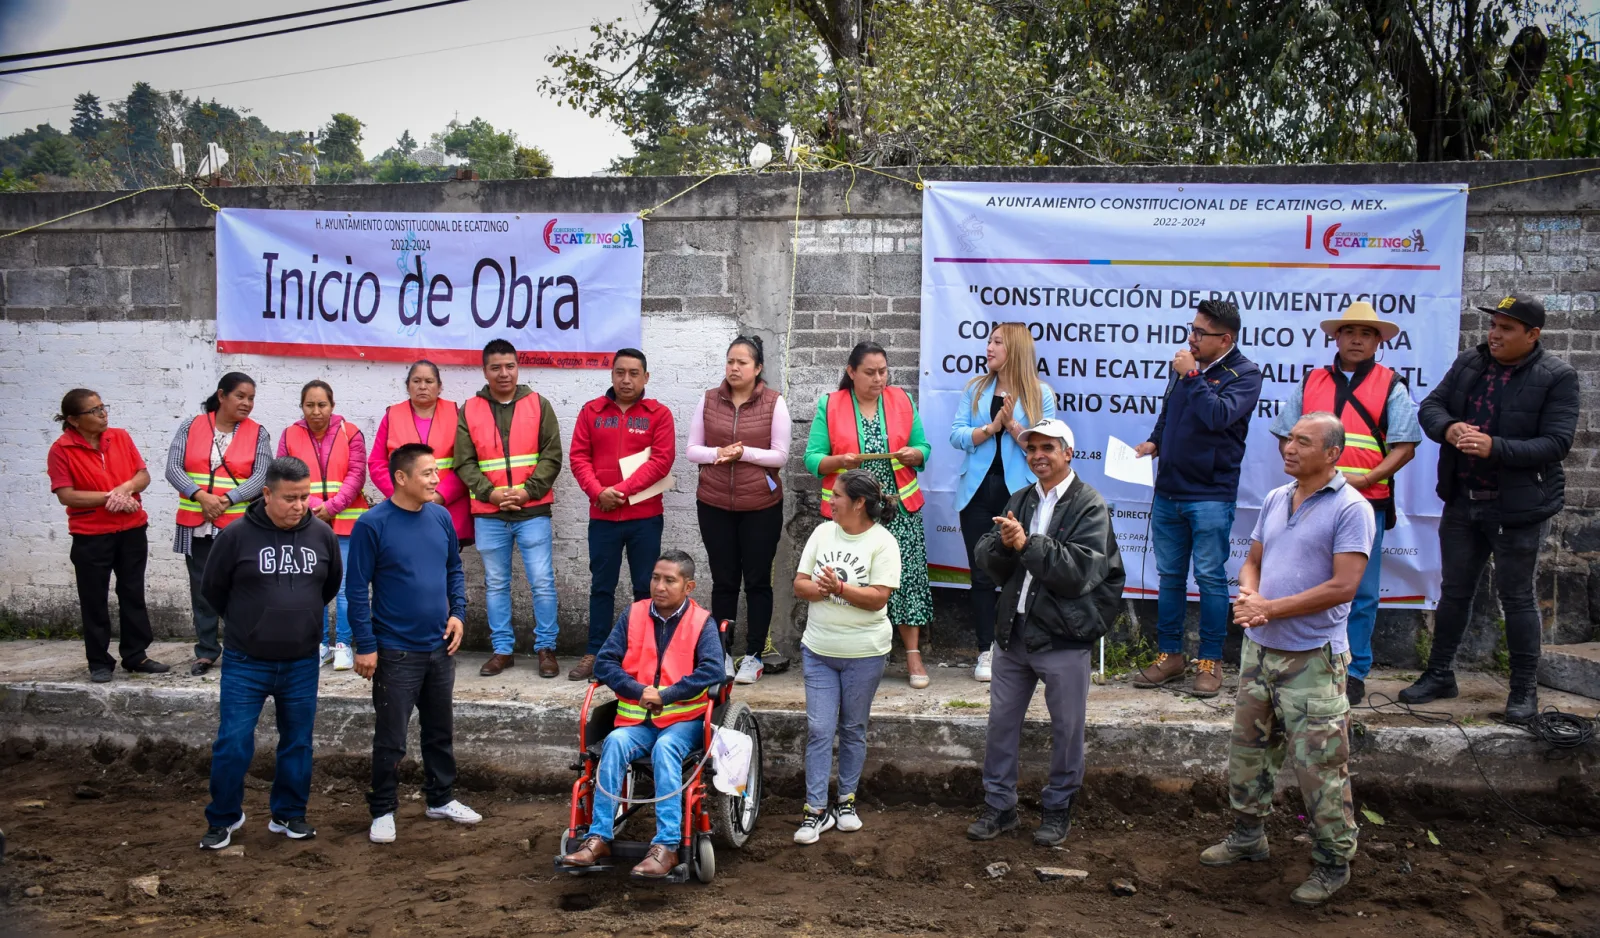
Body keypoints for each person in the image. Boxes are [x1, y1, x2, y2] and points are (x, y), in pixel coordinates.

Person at [1199, 412, 1373, 907]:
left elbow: (1344, 586)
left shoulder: (1351, 508)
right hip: (1261, 652)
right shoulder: (1277, 498)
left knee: (1320, 768)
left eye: (1302, 441)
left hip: (1313, 658)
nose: (1288, 448)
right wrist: (1251, 598)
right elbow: (1253, 558)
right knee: (1249, 754)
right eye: (1288, 439)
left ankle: (1332, 862)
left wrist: (1269, 608)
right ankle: (1248, 837)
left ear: (1332, 454)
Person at [1400, 295, 1580, 723]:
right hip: (1464, 499)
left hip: (1518, 507)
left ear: (1532, 335)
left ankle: (1523, 691)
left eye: (1506, 328)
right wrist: (1450, 427)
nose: (1494, 334)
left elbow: (1558, 443)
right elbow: (1430, 407)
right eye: (1493, 325)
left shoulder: (1557, 376)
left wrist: (1494, 447)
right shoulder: (1471, 363)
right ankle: (1440, 673)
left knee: (1517, 598)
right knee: (1455, 591)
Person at [967, 419, 1124, 847]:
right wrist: (1002, 543)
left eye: (1048, 447)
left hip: (1063, 637)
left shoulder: (1089, 504)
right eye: (1031, 448)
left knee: (1067, 728)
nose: (1038, 455)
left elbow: (1077, 572)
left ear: (1068, 453)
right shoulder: (1021, 497)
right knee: (1000, 724)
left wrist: (1025, 544)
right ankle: (999, 807)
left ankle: (1058, 809)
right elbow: (994, 563)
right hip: (1014, 634)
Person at [1271, 302, 1419, 705]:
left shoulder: (1391, 384)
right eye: (1349, 331)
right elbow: (1286, 435)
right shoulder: (1312, 381)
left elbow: (1405, 446)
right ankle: (1304, 661)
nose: (1357, 339)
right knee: (1306, 583)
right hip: (1310, 499)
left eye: (1367, 333)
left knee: (1360, 592)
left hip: (1367, 502)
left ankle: (1351, 671)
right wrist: (1310, 472)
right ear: (1335, 337)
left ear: (1378, 341)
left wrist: (1367, 478)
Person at [197, 456, 342, 850]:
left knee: (297, 742)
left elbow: (328, 587)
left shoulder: (323, 536)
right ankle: (225, 817)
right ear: (266, 494)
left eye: (305, 497)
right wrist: (250, 624)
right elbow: (213, 590)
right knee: (233, 741)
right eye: (290, 498)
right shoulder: (236, 536)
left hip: (300, 663)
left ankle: (289, 814)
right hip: (247, 662)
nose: (299, 506)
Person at [557, 551, 724, 878]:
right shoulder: (632, 615)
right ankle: (598, 837)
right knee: (615, 743)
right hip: (635, 721)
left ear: (688, 586)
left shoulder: (701, 622)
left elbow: (712, 671)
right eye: (655, 578)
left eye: (669, 580)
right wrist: (639, 691)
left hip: (682, 721)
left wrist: (666, 695)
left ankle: (667, 846)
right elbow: (605, 662)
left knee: (665, 750)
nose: (659, 586)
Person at [346, 442, 480, 844]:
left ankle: (440, 798)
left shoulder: (440, 517)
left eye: (437, 471)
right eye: (427, 473)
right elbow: (356, 590)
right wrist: (365, 645)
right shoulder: (373, 524)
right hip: (395, 651)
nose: (436, 480)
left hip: (440, 648)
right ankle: (383, 809)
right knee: (391, 737)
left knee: (440, 730)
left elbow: (454, 569)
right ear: (401, 478)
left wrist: (458, 613)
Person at [1132, 300, 1262, 698]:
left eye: (1200, 332)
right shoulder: (1185, 369)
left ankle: (1210, 659)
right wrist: (1155, 441)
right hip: (1169, 491)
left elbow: (1218, 417)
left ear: (1225, 338)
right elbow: (1169, 413)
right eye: (1191, 329)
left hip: (1209, 494)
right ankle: (1170, 655)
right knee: (1170, 577)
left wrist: (1191, 375)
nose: (1191, 337)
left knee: (1209, 578)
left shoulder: (1245, 374)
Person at [805, 341, 934, 687]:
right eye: (870, 372)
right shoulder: (830, 405)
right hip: (853, 513)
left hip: (899, 508)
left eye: (883, 371)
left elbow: (925, 449)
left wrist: (914, 455)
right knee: (855, 576)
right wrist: (839, 462)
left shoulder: (902, 401)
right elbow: (812, 459)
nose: (879, 379)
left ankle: (912, 654)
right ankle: (853, 652)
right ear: (851, 372)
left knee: (906, 580)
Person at [791, 469, 901, 844]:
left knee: (853, 728)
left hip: (865, 653)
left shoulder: (883, 542)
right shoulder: (822, 532)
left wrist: (838, 587)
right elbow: (799, 584)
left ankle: (847, 802)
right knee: (820, 729)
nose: (830, 501)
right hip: (819, 650)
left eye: (836, 495)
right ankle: (815, 811)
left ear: (857, 503)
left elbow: (878, 598)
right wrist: (824, 590)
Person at [949, 323, 1056, 682]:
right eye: (989, 341)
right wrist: (991, 428)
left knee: (1019, 571)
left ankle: (1018, 649)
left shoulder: (1041, 395)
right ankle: (985, 650)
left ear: (1014, 348)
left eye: (997, 342)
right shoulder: (977, 390)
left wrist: (1011, 426)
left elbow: (1046, 447)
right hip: (977, 491)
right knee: (981, 572)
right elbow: (956, 434)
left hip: (1019, 493)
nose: (989, 347)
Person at [455, 339, 563, 678]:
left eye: (510, 366)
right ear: (485, 370)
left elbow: (552, 455)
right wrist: (492, 494)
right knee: (496, 583)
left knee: (542, 581)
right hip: (489, 514)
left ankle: (546, 649)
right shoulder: (470, 409)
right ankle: (502, 650)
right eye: (496, 367)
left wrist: (527, 492)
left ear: (518, 367)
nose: (504, 373)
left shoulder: (538, 404)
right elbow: (464, 461)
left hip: (532, 512)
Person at [569, 348, 678, 682]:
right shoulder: (591, 411)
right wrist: (598, 492)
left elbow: (662, 461)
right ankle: (596, 653)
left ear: (646, 377)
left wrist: (622, 490)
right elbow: (578, 457)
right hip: (602, 516)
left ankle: (645, 655)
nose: (626, 379)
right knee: (602, 586)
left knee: (646, 588)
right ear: (611, 375)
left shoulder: (658, 414)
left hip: (644, 517)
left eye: (634, 373)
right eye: (620, 372)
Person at [687, 335, 790, 685]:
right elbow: (691, 450)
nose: (734, 367)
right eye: (730, 361)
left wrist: (743, 453)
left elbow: (780, 456)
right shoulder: (708, 400)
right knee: (724, 581)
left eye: (742, 362)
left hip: (760, 506)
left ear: (758, 368)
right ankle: (722, 654)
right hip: (714, 503)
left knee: (758, 581)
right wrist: (719, 453)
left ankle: (755, 655)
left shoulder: (774, 403)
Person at [47, 389, 168, 683]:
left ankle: (136, 655)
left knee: (132, 592)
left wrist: (124, 489)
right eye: (94, 411)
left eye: (103, 407)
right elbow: (67, 495)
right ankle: (99, 661)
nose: (103, 414)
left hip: (132, 530)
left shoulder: (120, 437)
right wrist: (107, 497)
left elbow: (143, 475)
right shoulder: (61, 450)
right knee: (93, 599)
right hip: (91, 536)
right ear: (74, 420)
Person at [166, 372, 273, 676]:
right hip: (197, 523)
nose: (247, 403)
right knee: (202, 590)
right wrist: (201, 497)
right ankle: (207, 651)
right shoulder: (191, 426)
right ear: (222, 395)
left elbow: (261, 476)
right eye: (240, 396)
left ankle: (243, 648)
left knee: (244, 589)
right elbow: (173, 468)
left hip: (239, 527)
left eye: (251, 398)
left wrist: (224, 500)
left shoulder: (258, 433)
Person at [278, 379, 368, 672]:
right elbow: (284, 475)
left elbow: (356, 475)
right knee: (310, 587)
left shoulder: (350, 432)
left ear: (332, 405)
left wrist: (330, 507)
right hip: (306, 523)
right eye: (309, 405)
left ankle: (343, 644)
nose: (316, 411)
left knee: (344, 588)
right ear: (301, 406)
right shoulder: (290, 434)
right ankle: (317, 644)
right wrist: (311, 508)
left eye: (322, 405)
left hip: (346, 524)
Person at [371, 360, 472, 544]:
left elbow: (466, 462)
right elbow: (377, 464)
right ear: (407, 386)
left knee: (446, 568)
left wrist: (439, 496)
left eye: (429, 381)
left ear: (439, 387)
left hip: (447, 507)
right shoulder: (392, 415)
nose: (422, 386)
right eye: (416, 381)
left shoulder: (456, 415)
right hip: (402, 510)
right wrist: (401, 496)